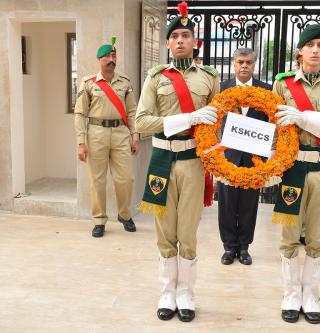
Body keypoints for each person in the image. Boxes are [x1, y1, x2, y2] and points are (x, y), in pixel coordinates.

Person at [135, 1, 220, 323]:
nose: (181, 40)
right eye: (176, 36)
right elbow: (142, 121)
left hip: (193, 162)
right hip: (161, 159)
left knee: (188, 230)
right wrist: (186, 117)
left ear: (194, 42)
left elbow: (217, 122)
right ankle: (167, 291)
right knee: (164, 230)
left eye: (187, 35)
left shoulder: (209, 78)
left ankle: (186, 293)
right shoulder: (156, 78)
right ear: (168, 43)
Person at [272, 13, 320, 324]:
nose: (316, 50)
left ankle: (311, 295)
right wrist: (269, 165)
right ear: (299, 52)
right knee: (289, 236)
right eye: (310, 45)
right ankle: (291, 294)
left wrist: (302, 118)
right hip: (292, 167)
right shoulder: (283, 84)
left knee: (315, 237)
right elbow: (274, 129)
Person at [74, 37, 139, 238]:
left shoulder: (125, 83)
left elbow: (132, 112)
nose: (111, 59)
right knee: (97, 180)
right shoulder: (88, 83)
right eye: (107, 56)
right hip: (96, 134)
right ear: (99, 60)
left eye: (114, 55)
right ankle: (99, 220)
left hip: (120, 134)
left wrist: (135, 136)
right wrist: (81, 142)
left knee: (125, 179)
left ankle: (124, 214)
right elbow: (80, 113)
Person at [218, 48, 272, 266]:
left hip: (254, 159)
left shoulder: (266, 90)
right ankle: (229, 248)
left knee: (250, 205)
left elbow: (272, 123)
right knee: (227, 204)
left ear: (254, 64)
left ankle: (244, 247)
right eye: (240, 61)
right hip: (228, 157)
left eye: (249, 62)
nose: (244, 66)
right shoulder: (222, 89)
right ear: (233, 64)